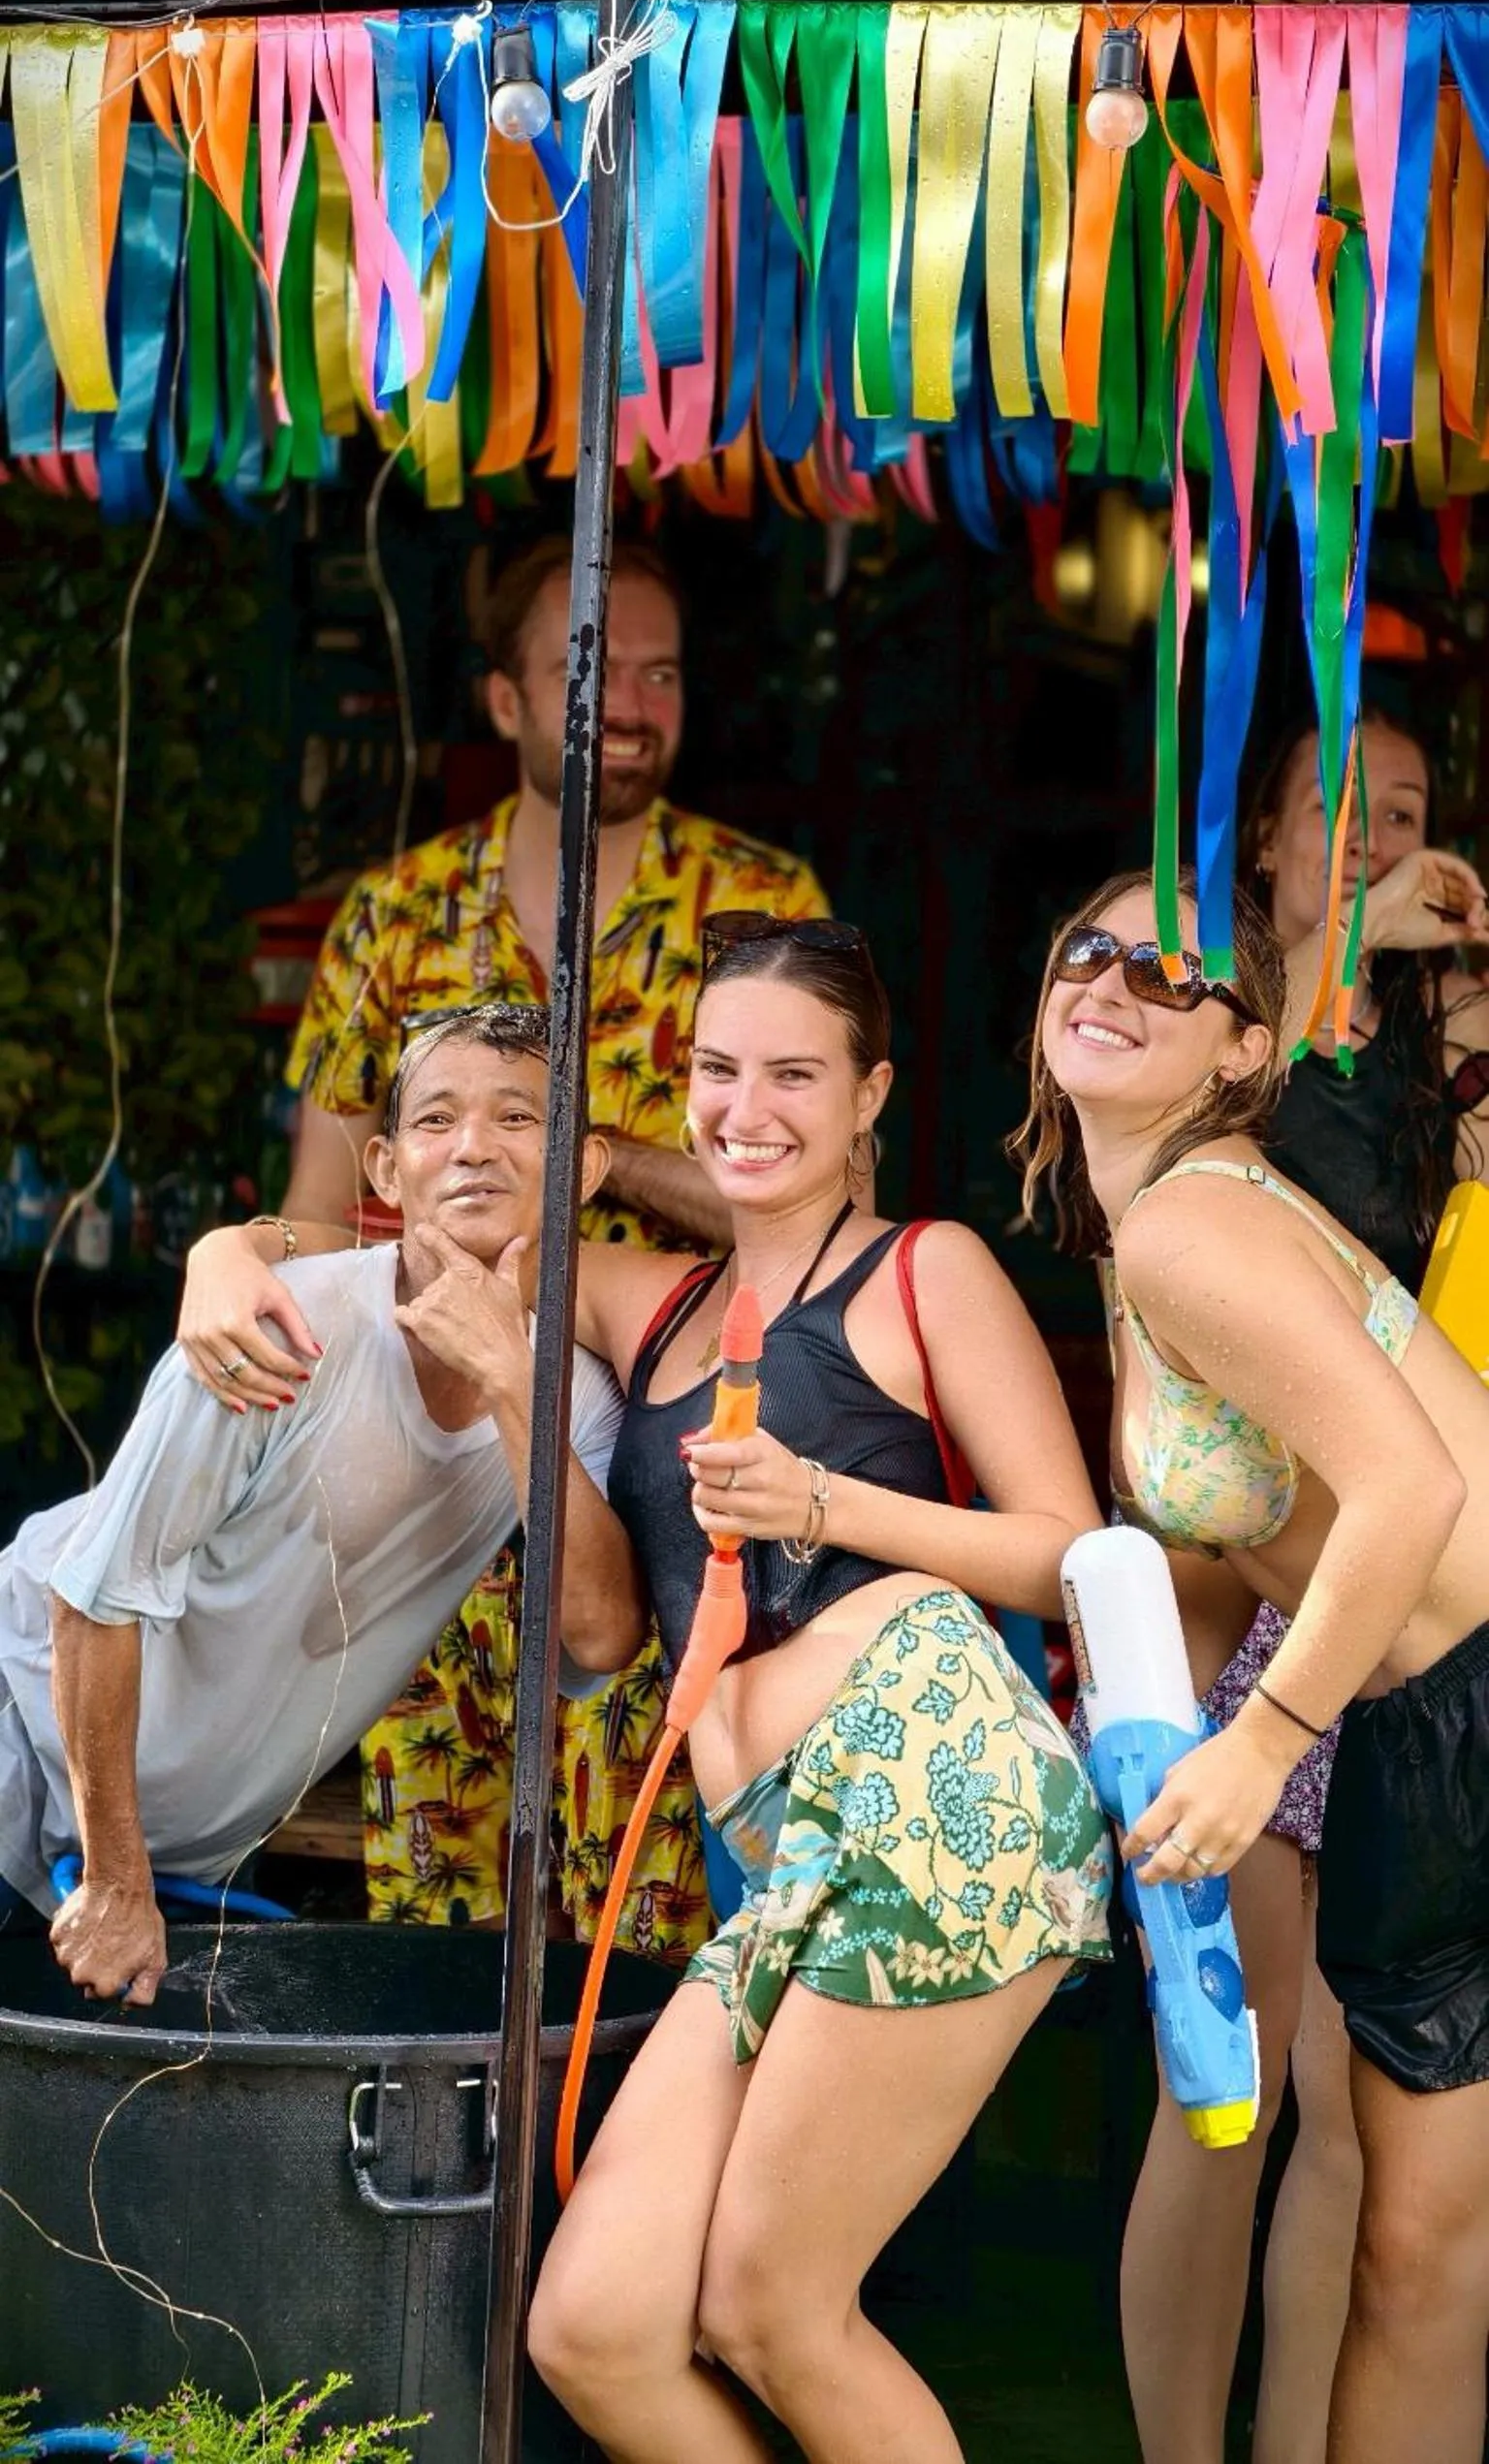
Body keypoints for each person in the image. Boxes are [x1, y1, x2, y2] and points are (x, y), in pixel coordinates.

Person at [180, 910, 1113, 2460]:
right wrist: (229, 1254)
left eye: (795, 1075)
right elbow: (403, 1241)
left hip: (938, 1783)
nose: (748, 1108)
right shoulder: (647, 1300)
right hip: (784, 1853)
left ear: (872, 1096)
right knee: (598, 2328)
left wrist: (824, 1502)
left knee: (773, 2307)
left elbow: (1069, 1551)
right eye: (719, 1070)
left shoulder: (922, 1271)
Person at [278, 534, 830, 1954]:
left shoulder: (764, 912)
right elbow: (320, 1205)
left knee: (641, 1974)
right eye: (591, 673)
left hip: (667, 1494)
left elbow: (828, 1204)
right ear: (506, 698)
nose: (631, 706)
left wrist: (612, 1159)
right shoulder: (395, 917)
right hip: (432, 1502)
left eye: (662, 674)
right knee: (434, 1962)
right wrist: (245, 1279)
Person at [1014, 869, 1489, 2464]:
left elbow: (1413, 1489)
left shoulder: (1191, 1224)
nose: (1111, 980)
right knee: (1416, 2258)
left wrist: (1259, 1740)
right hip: (1421, 1721)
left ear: (1248, 1047)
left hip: (1457, 1694)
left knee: (1418, 2257)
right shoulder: (1160, 1220)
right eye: (1090, 949)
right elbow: (1244, 1545)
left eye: (1171, 972)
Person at [0, 1006, 639, 2004]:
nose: (473, 1146)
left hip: (177, 1843)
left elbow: (599, 1635)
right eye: (436, 1120)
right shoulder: (280, 1326)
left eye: (518, 1117)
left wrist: (512, 1381)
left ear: (586, 1165)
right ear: (385, 1168)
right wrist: (120, 1876)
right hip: (30, 1744)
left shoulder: (579, 1398)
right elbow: (91, 1597)